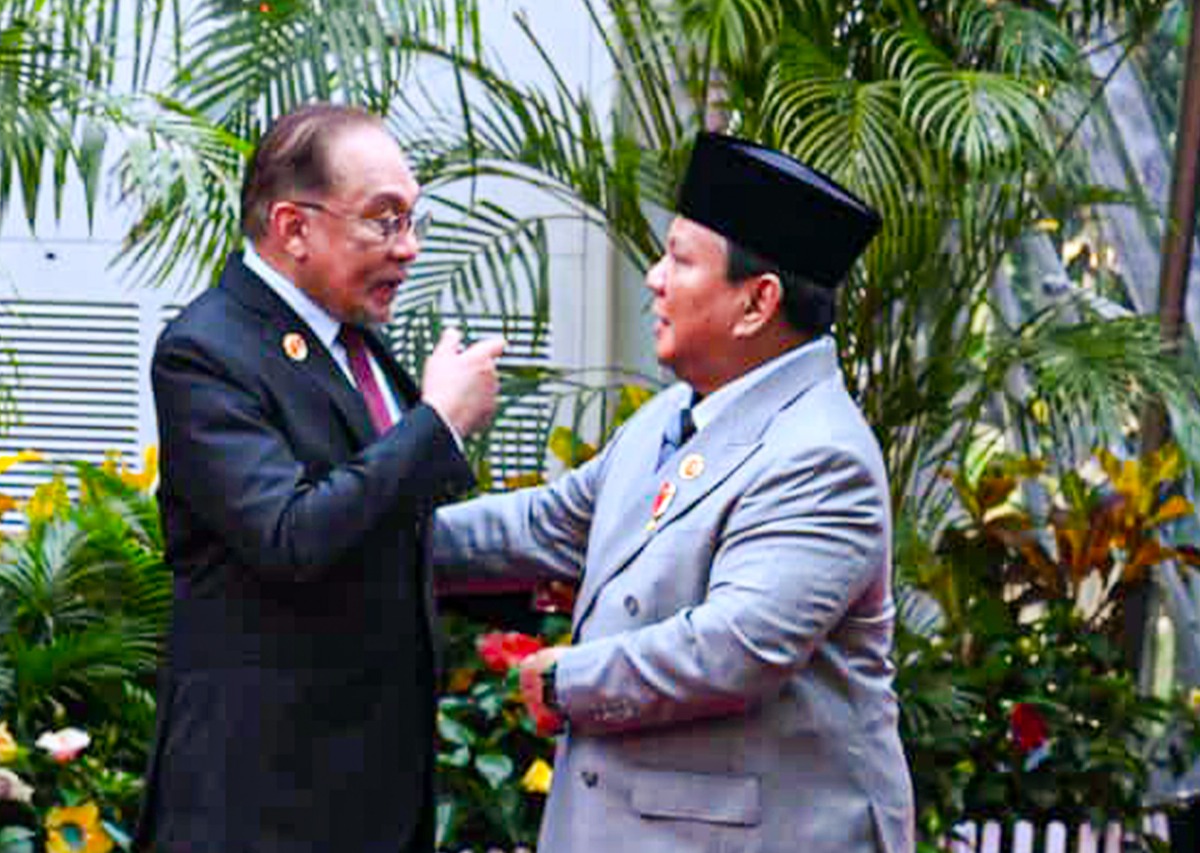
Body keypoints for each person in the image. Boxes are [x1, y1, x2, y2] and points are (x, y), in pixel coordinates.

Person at [434, 132, 915, 852]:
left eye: (681, 260)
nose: (655, 279)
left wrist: (567, 679)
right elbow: (546, 523)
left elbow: (733, 648)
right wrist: (370, 523)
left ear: (757, 302)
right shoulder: (674, 413)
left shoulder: (821, 453)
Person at [135, 104, 505, 853]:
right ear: (293, 228)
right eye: (385, 220)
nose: (409, 247)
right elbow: (291, 535)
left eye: (413, 220)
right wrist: (436, 423)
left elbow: (387, 534)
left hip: (372, 794)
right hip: (263, 804)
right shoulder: (206, 351)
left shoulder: (354, 342)